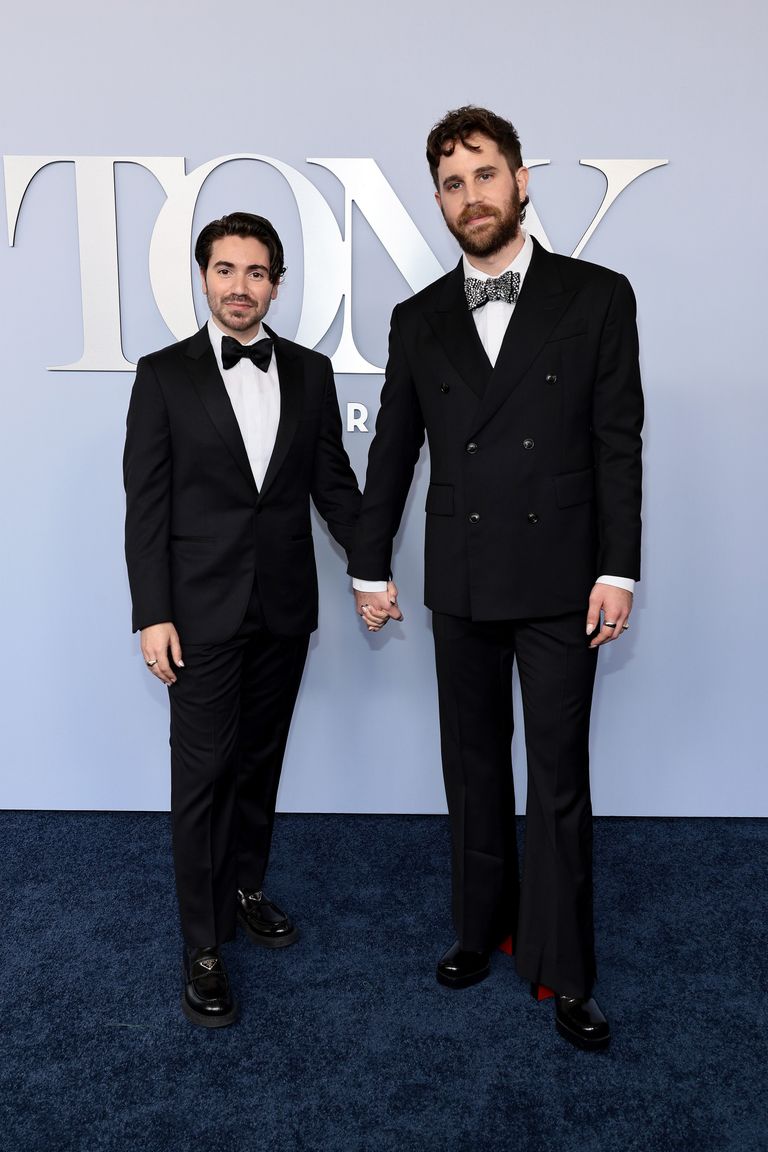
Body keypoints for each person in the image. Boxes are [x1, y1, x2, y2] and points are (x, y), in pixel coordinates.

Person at [349, 107, 643, 1051]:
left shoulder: (598, 297)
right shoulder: (419, 316)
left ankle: (565, 969)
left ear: (521, 181)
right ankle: (479, 929)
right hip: (462, 578)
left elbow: (615, 446)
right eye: (450, 183)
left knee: (557, 780)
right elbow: (392, 450)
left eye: (483, 175)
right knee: (472, 772)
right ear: (437, 201)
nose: (468, 196)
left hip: (564, 578)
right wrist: (366, 562)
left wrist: (619, 568)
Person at [124, 212, 362, 1028]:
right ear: (203, 277)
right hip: (196, 614)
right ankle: (202, 944)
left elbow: (333, 484)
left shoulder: (311, 370)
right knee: (201, 778)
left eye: (256, 272)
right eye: (225, 270)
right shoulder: (163, 376)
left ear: (277, 283)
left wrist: (371, 568)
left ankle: (248, 885)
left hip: (284, 609)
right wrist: (152, 615)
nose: (239, 286)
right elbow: (146, 509)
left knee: (259, 762)